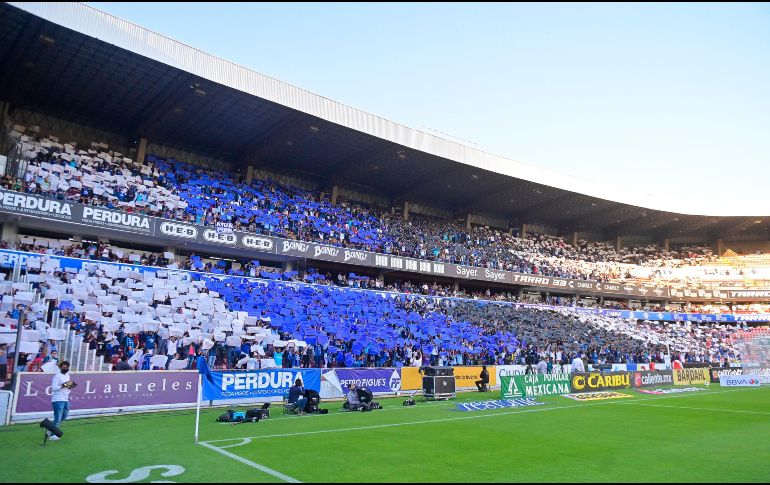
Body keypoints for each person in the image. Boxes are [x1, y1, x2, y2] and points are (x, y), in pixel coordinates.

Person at [49, 361, 74, 441]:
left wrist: (70, 386)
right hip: (57, 399)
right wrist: (63, 385)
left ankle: (50, 429)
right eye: (64, 367)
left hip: (65, 398)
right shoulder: (57, 376)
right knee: (58, 418)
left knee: (64, 416)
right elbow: (53, 388)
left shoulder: (67, 375)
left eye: (67, 367)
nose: (65, 368)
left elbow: (68, 386)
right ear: (60, 367)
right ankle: (53, 435)